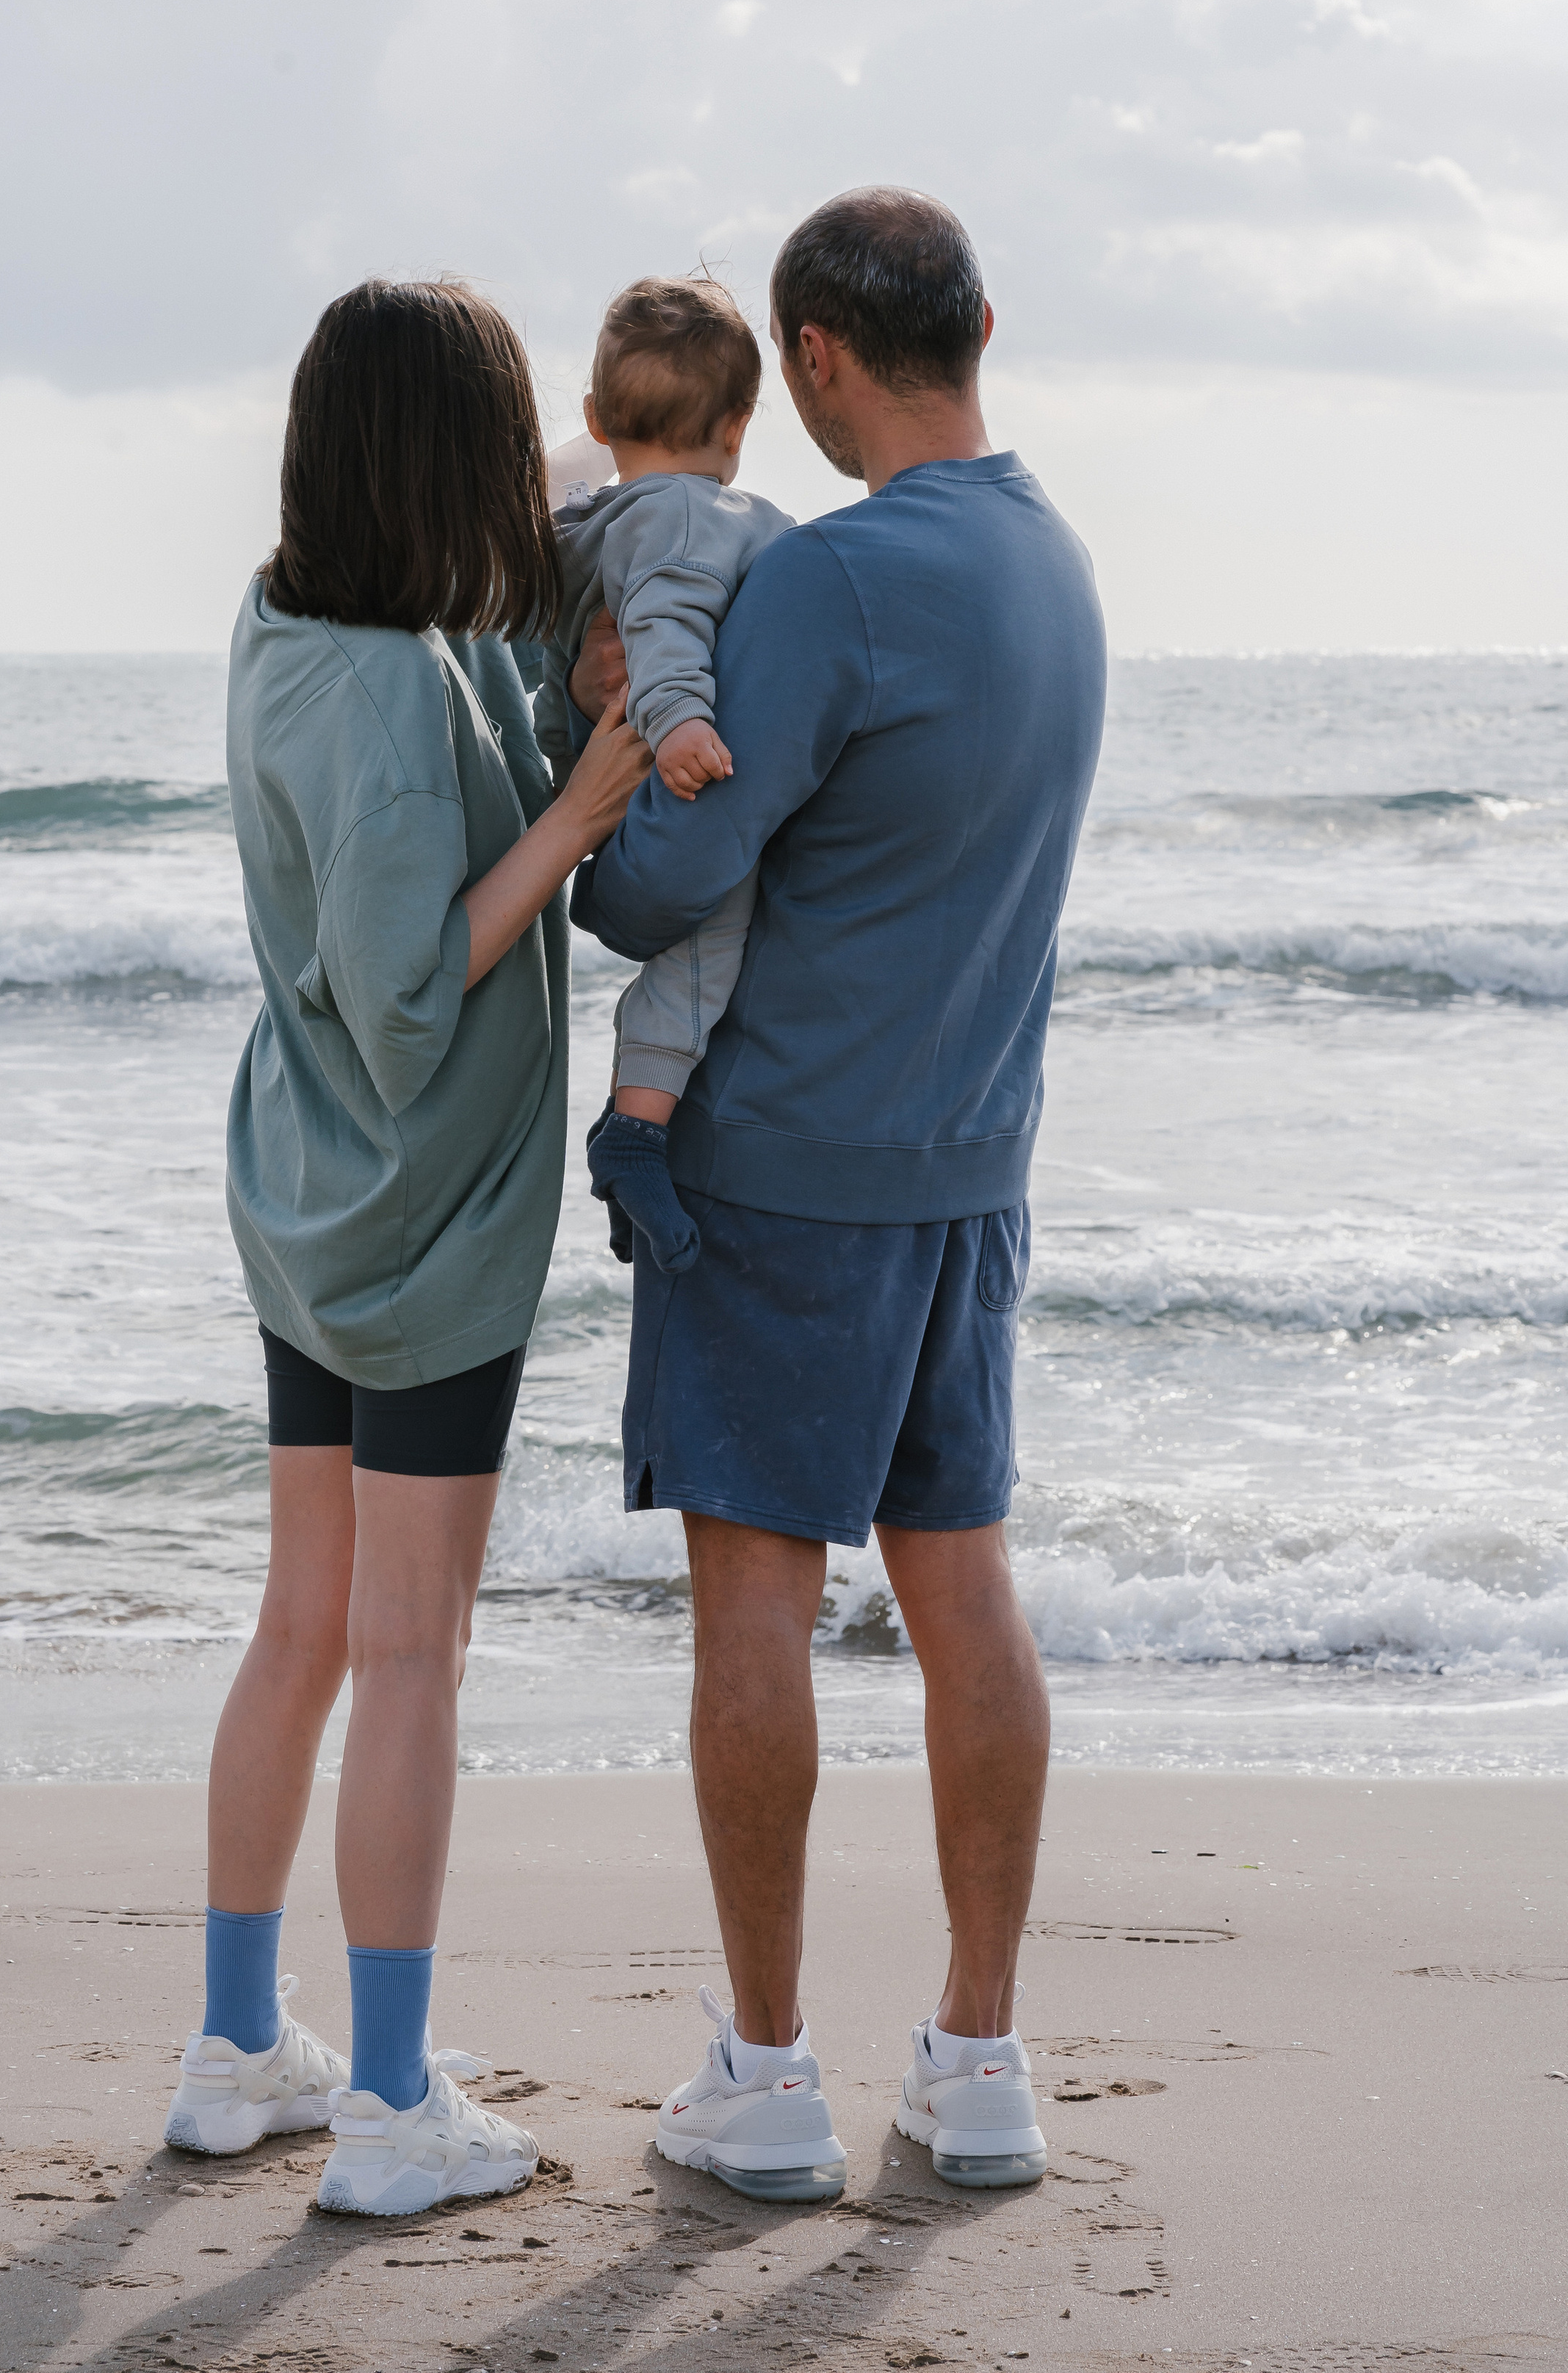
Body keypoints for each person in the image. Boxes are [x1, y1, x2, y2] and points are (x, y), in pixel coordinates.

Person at [571, 186, 1107, 2203]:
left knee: (758, 1615)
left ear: (811, 361)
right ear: (978, 321)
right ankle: (979, 2060)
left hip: (784, 1174)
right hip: (971, 1171)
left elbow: (665, 886)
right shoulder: (1059, 563)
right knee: (964, 1591)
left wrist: (605, 744)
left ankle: (771, 2073)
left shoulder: (842, 582)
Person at [163, 278, 649, 2219]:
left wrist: (621, 450)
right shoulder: (378, 703)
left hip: (303, 1194)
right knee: (407, 1650)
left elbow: (499, 560)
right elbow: (406, 994)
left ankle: (233, 2051)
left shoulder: (292, 614)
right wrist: (585, 802)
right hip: (416, 1220)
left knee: (303, 1626)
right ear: (435, 467)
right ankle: (383, 2106)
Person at [533, 275, 793, 1274]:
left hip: (588, 770)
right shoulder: (691, 515)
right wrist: (681, 722)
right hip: (655, 768)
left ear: (597, 420)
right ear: (738, 425)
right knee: (713, 930)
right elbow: (666, 626)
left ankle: (637, 1138)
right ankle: (635, 1129)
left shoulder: (603, 512)